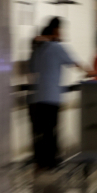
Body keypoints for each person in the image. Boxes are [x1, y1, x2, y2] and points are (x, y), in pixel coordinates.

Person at [29, 17, 88, 171]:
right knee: (52, 130)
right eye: (60, 30)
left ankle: (41, 162)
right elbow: (75, 63)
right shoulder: (57, 47)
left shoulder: (38, 48)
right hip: (52, 96)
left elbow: (32, 68)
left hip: (38, 96)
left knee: (41, 131)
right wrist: (91, 72)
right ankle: (51, 161)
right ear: (55, 31)